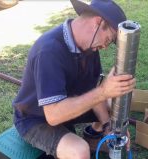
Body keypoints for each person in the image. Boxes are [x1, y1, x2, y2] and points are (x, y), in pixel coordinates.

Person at [12, 0, 136, 158]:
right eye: (108, 39)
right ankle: (82, 143)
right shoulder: (49, 51)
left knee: (115, 103)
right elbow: (54, 116)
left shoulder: (89, 46)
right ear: (98, 22)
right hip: (36, 118)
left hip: (69, 104)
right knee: (79, 151)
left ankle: (94, 135)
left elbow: (92, 89)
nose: (105, 46)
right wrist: (103, 91)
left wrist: (108, 125)